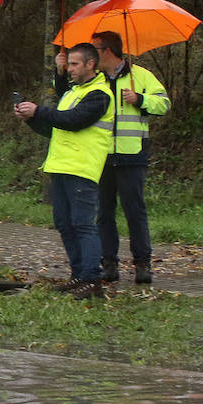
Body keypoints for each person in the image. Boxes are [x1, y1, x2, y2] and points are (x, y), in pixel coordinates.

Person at [15, 42, 113, 299]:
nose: (69, 69)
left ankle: (92, 280)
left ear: (91, 64)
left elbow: (73, 121)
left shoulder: (100, 94)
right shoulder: (72, 92)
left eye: (74, 64)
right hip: (61, 166)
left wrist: (40, 110)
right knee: (65, 224)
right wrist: (32, 119)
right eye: (68, 64)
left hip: (82, 168)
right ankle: (79, 275)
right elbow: (54, 128)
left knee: (83, 225)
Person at [82, 32, 169, 285]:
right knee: (104, 213)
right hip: (102, 155)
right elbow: (70, 98)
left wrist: (139, 99)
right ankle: (108, 264)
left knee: (135, 212)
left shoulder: (140, 76)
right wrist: (61, 72)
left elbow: (164, 104)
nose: (90, 54)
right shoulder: (94, 79)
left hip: (132, 155)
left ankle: (142, 264)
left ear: (107, 50)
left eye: (94, 49)